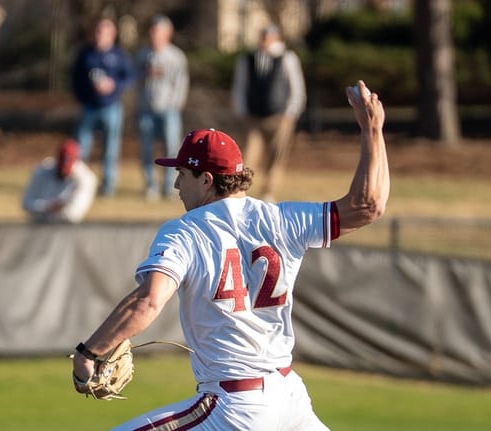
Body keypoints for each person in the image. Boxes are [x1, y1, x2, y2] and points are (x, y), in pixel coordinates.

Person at [71, 80, 389, 430]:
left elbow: (148, 301)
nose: (176, 184)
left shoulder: (186, 230)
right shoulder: (282, 218)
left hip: (235, 406)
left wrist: (90, 352)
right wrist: (372, 129)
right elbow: (368, 206)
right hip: (290, 398)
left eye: (182, 173)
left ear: (206, 180)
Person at [231, 24, 307, 203]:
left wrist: (291, 111)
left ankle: (269, 191)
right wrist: (241, 109)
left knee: (276, 157)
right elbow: (240, 86)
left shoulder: (287, 57)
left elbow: (296, 86)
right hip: (254, 116)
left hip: (280, 116)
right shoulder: (248, 59)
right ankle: (241, 191)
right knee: (248, 155)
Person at [71, 16, 134, 196]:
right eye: (97, 31)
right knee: (81, 147)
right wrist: (83, 96)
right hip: (89, 108)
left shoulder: (119, 55)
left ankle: (108, 186)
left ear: (112, 34)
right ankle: (76, 183)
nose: (99, 35)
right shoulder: (85, 54)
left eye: (103, 32)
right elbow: (75, 79)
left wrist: (114, 86)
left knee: (110, 149)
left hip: (111, 108)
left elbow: (129, 78)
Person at [134, 14, 189, 201]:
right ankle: (151, 185)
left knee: (172, 149)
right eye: (152, 30)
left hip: (169, 110)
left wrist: (175, 104)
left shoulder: (176, 56)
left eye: (158, 31)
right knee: (146, 149)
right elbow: (135, 81)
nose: (154, 34)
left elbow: (181, 83)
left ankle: (169, 186)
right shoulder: (142, 55)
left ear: (167, 33)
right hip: (145, 109)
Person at [22, 139, 97, 224]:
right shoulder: (43, 170)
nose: (63, 173)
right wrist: (47, 206)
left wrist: (51, 209)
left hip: (67, 227)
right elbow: (26, 203)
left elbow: (74, 214)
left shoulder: (86, 178)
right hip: (38, 224)